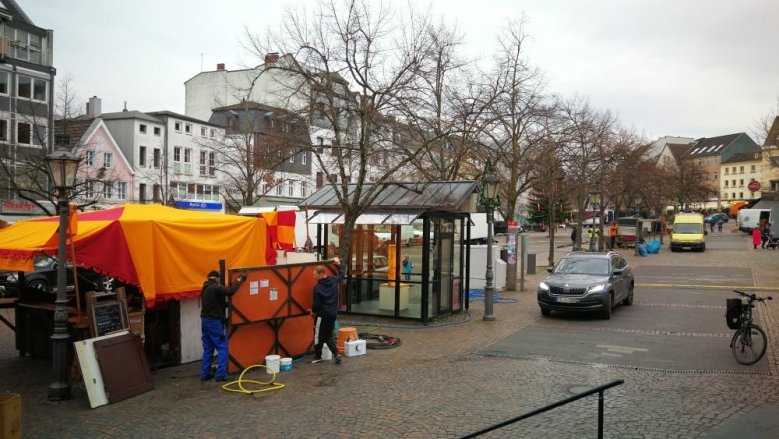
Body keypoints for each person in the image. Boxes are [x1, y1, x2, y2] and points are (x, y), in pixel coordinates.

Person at [200, 269, 246, 381]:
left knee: (208, 348)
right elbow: (230, 291)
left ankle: (204, 374)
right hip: (214, 322)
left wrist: (227, 305)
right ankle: (220, 374)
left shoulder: (205, 288)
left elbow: (216, 304)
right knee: (222, 347)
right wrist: (240, 280)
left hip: (205, 321)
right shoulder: (215, 287)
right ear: (217, 279)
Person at [311, 257, 344, 364]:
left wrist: (313, 312)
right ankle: (336, 354)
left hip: (322, 315)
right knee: (328, 336)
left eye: (315, 274)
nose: (313, 276)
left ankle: (317, 356)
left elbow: (316, 304)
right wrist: (338, 264)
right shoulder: (334, 280)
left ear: (321, 274)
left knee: (318, 336)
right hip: (333, 314)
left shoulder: (317, 288)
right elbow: (341, 276)